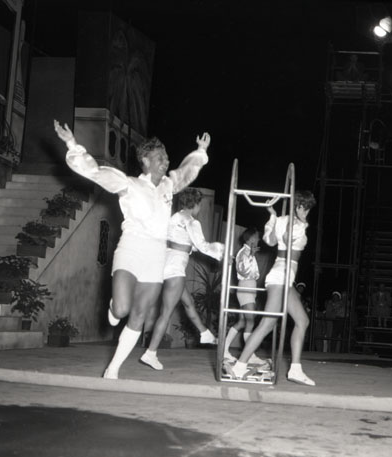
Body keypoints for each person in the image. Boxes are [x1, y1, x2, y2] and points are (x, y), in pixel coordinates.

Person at [54, 120, 210, 379]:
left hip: (156, 254)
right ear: (146, 161)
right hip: (131, 248)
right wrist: (72, 143)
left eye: (166, 157)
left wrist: (200, 152)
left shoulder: (169, 185)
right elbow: (94, 171)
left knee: (139, 314)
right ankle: (114, 307)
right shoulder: (128, 184)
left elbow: (186, 172)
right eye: (159, 158)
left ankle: (112, 369)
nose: (165, 161)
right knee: (122, 310)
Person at [225, 190, 317, 386]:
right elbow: (284, 239)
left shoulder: (282, 220)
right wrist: (298, 222)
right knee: (267, 323)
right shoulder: (294, 224)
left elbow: (270, 240)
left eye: (308, 209)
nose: (306, 212)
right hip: (280, 276)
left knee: (302, 320)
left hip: (285, 278)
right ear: (299, 206)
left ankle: (295, 369)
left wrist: (273, 216)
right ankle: (240, 365)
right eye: (305, 208)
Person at [140, 188, 224, 370]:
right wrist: (223, 252)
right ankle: (150, 353)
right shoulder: (191, 222)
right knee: (166, 313)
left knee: (188, 302)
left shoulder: (175, 217)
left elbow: (178, 241)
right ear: (195, 204)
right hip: (175, 268)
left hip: (165, 263)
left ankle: (204, 333)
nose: (200, 208)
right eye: (200, 204)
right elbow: (203, 246)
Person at [222, 227, 267, 365]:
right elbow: (244, 271)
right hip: (246, 287)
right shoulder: (243, 252)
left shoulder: (247, 252)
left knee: (242, 322)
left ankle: (224, 350)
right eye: (257, 236)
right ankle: (250, 355)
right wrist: (251, 255)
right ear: (251, 238)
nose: (258, 239)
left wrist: (252, 255)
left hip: (249, 288)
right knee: (250, 321)